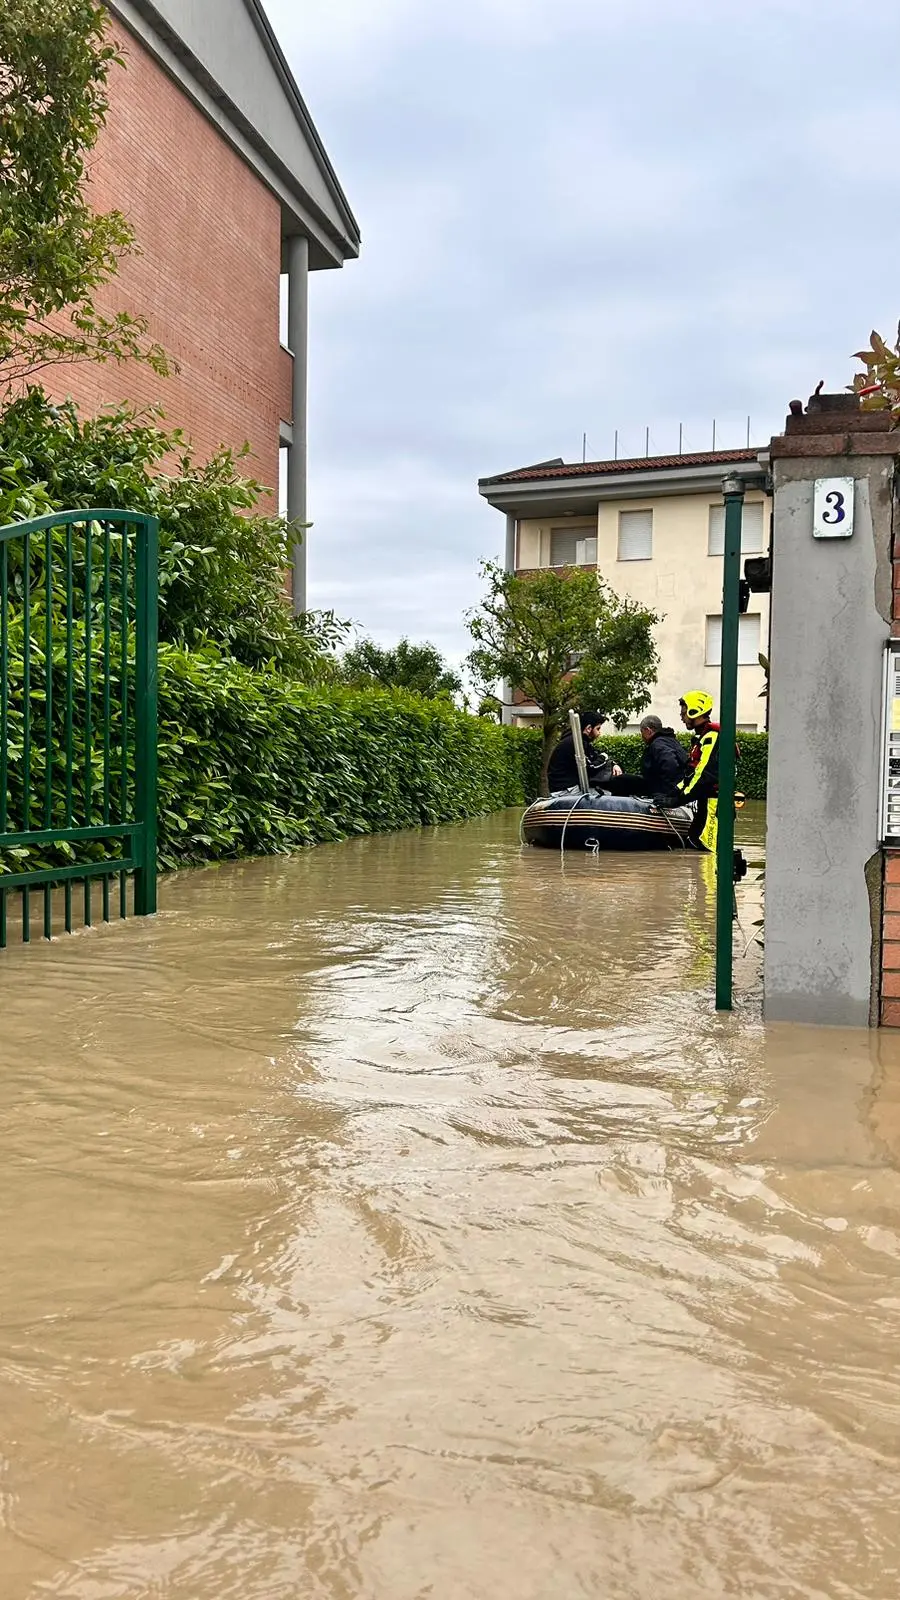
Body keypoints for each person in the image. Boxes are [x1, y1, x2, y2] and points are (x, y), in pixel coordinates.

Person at [674, 690, 721, 851]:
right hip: (705, 804)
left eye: (684, 712)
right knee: (695, 844)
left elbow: (704, 774)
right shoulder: (703, 737)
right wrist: (674, 792)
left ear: (695, 711)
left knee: (707, 850)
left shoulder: (712, 737)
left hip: (713, 804)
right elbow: (692, 774)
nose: (682, 717)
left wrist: (678, 800)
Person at [604, 713, 689, 800]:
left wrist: (666, 794)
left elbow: (670, 764)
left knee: (620, 781)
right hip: (670, 786)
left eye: (642, 732)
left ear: (648, 730)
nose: (642, 736)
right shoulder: (671, 741)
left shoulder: (658, 744)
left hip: (662, 789)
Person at [546, 711, 622, 793]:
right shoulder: (575, 743)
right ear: (589, 728)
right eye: (598, 729)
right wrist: (604, 757)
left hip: (566, 788)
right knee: (609, 795)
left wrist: (612, 763)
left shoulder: (579, 741)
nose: (599, 733)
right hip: (566, 790)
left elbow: (596, 756)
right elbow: (591, 768)